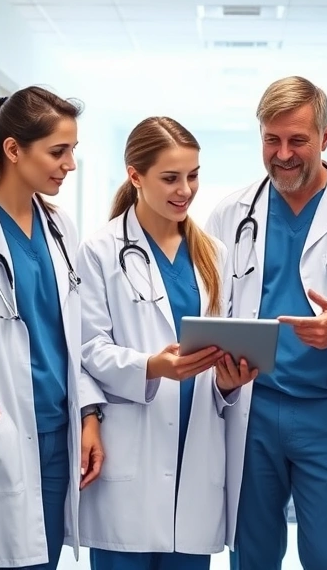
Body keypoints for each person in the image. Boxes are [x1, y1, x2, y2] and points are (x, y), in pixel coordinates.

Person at [205, 75, 327, 570]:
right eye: (271, 140)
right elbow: (211, 312)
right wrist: (220, 370)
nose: (284, 154)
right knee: (251, 552)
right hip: (253, 407)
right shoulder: (231, 213)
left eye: (298, 140)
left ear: (326, 136)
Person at [0, 86, 107, 570]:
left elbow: (73, 334)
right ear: (13, 149)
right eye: (58, 151)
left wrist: (89, 414)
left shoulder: (60, 226)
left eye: (72, 150)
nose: (69, 164)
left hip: (60, 433)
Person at [77, 116, 256, 570]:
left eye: (193, 176)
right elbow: (87, 348)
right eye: (171, 178)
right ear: (135, 176)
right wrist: (151, 366)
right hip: (129, 456)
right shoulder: (99, 251)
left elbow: (223, 349)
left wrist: (228, 383)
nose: (185, 190)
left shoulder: (214, 254)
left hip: (196, 459)